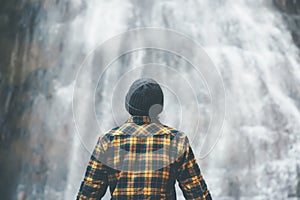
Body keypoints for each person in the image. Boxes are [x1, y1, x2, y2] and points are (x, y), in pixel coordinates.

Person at [77, 78, 212, 199]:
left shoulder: (107, 141)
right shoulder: (176, 141)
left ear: (128, 105)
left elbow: (87, 195)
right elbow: (198, 195)